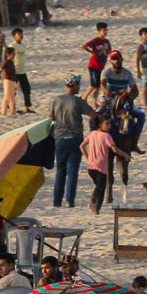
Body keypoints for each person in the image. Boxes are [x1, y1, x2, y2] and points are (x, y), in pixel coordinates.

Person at [48, 76, 91, 208]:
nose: (79, 87)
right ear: (75, 85)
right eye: (78, 84)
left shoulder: (56, 100)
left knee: (60, 171)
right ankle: (70, 201)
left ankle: (57, 201)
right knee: (72, 171)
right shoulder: (78, 101)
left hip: (60, 140)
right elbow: (93, 114)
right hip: (75, 139)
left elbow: (51, 117)